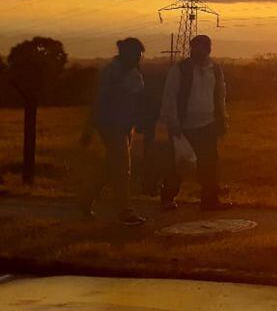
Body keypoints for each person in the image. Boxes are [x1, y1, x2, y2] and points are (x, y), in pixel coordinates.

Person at [79, 38, 147, 226]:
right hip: (112, 125)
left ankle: (85, 201)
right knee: (122, 168)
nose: (139, 59)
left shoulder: (131, 71)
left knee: (111, 167)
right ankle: (125, 211)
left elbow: (137, 99)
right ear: (128, 54)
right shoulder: (111, 73)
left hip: (126, 126)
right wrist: (89, 129)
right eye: (137, 56)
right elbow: (99, 101)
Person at [160, 35, 231, 210]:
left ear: (208, 49)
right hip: (183, 125)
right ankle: (168, 198)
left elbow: (220, 95)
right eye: (195, 48)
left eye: (202, 48)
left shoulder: (215, 69)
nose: (198, 51)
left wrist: (222, 118)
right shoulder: (180, 69)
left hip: (208, 124)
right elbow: (170, 95)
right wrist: (173, 122)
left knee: (209, 164)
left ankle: (210, 200)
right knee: (178, 164)